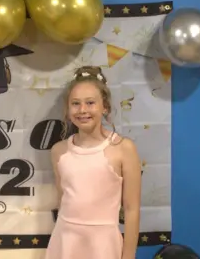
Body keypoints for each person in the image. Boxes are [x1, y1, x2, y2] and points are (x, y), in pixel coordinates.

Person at [45, 66, 141, 259]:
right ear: (68, 108)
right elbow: (63, 199)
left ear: (104, 106)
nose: (82, 110)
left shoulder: (123, 148)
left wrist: (128, 256)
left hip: (103, 244)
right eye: (75, 103)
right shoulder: (59, 151)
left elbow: (131, 210)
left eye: (90, 103)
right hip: (65, 242)